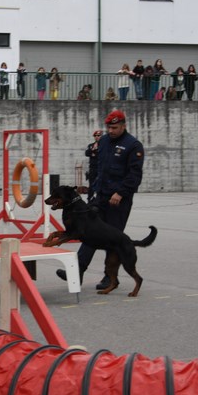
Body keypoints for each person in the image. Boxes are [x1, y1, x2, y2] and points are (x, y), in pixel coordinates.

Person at [56, 110, 144, 291]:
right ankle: (77, 272)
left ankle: (109, 277)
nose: (111, 131)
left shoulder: (133, 145)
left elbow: (134, 175)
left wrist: (121, 192)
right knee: (87, 233)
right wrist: (93, 190)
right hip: (100, 198)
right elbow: (98, 169)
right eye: (109, 127)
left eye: (115, 127)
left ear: (123, 126)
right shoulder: (103, 142)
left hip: (119, 201)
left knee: (113, 239)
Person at [85, 130, 102, 202]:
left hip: (101, 168)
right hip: (92, 168)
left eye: (98, 135)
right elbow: (87, 153)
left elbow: (100, 155)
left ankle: (99, 199)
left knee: (101, 185)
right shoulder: (91, 145)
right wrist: (93, 150)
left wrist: (94, 153)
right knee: (91, 185)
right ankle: (89, 199)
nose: (97, 137)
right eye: (95, 136)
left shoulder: (104, 145)